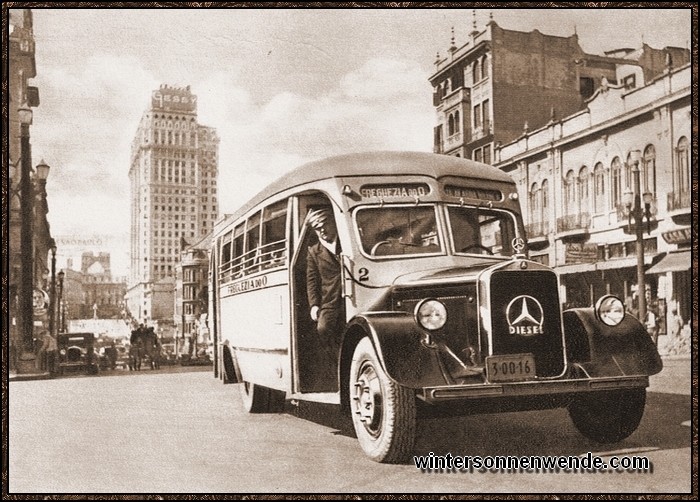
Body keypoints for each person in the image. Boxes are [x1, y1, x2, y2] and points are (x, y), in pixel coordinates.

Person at [306, 208, 344, 365]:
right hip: (330, 301)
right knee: (323, 329)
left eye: (324, 224)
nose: (322, 230)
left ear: (333, 223)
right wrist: (314, 305)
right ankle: (337, 367)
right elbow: (312, 280)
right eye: (317, 228)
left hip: (353, 295)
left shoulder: (346, 242)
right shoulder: (314, 251)